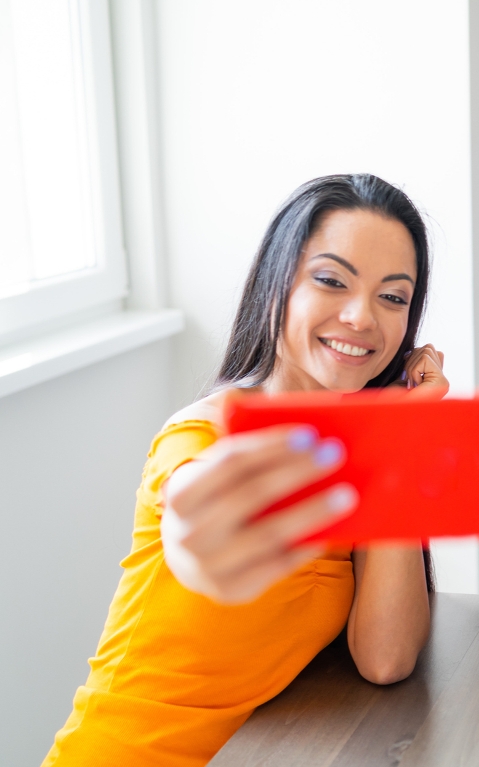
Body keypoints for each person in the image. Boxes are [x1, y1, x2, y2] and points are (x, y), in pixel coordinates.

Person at [43, 174, 449, 767]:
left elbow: (386, 657)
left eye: (393, 297)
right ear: (275, 285)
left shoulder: (358, 453)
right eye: (331, 281)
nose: (363, 317)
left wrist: (397, 436)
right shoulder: (204, 433)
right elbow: (196, 509)